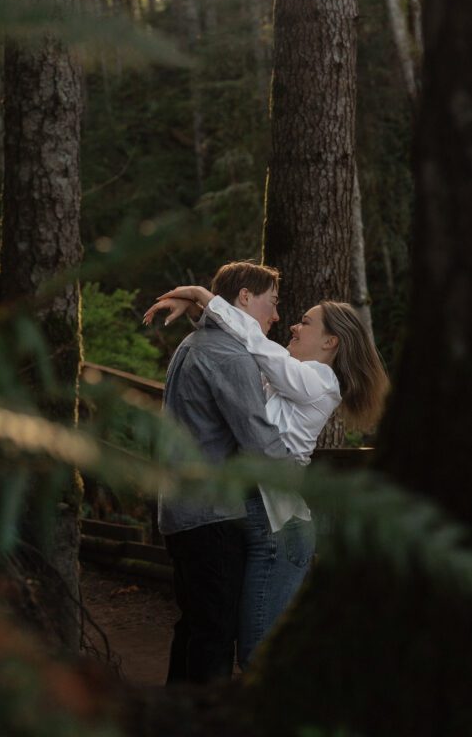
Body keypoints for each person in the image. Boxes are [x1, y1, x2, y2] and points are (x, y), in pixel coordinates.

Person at [146, 276, 389, 667]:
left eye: (306, 322)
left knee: (259, 653)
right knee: (237, 640)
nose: (292, 324)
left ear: (331, 343)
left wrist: (204, 298)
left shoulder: (319, 381)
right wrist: (201, 312)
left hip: (281, 526)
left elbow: (256, 346)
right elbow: (240, 351)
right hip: (261, 517)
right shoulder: (287, 379)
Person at [155, 261, 293, 684]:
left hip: (179, 512)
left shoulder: (193, 345)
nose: (276, 316)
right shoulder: (229, 356)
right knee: (215, 635)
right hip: (210, 513)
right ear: (244, 298)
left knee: (195, 628)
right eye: (271, 303)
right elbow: (260, 440)